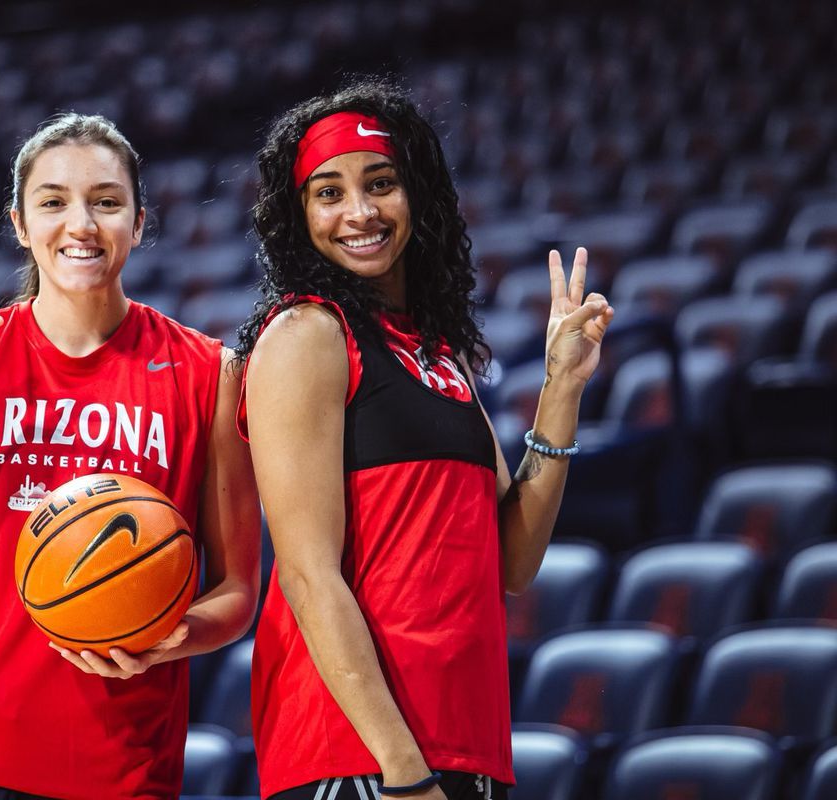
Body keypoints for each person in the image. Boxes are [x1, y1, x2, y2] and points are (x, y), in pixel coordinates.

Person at [0, 113, 261, 800]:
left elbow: (237, 593)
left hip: (117, 766)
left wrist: (170, 636)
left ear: (138, 222)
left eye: (106, 201)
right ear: (19, 223)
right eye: (53, 202)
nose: (81, 224)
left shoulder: (208, 373)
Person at [234, 79, 615, 800]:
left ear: (420, 196)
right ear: (297, 213)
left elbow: (513, 561)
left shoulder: (441, 353)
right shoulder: (306, 335)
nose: (360, 212)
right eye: (328, 193)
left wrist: (561, 390)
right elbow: (307, 575)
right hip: (359, 752)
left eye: (381, 183)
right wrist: (403, 774)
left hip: (466, 740)